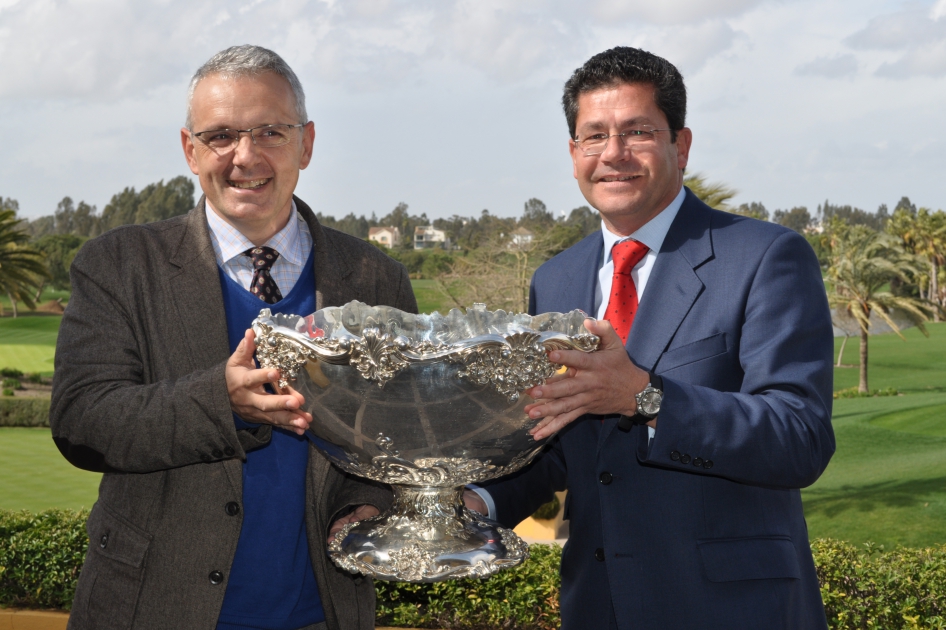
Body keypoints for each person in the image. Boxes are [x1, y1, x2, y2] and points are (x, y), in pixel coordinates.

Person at [465, 46, 835, 629]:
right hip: (599, 605)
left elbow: (800, 436)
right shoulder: (555, 278)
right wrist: (471, 503)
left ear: (680, 147)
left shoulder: (765, 256)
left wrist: (646, 395)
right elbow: (553, 438)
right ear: (573, 153)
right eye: (594, 136)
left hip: (734, 609)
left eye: (637, 131)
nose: (613, 154)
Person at [50, 45, 416, 630]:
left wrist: (367, 507)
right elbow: (82, 422)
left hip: (321, 614)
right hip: (152, 611)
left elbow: (397, 436)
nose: (245, 156)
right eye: (220, 135)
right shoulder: (118, 265)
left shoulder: (376, 279)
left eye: (271, 131)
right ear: (189, 150)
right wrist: (218, 403)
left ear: (307, 143)